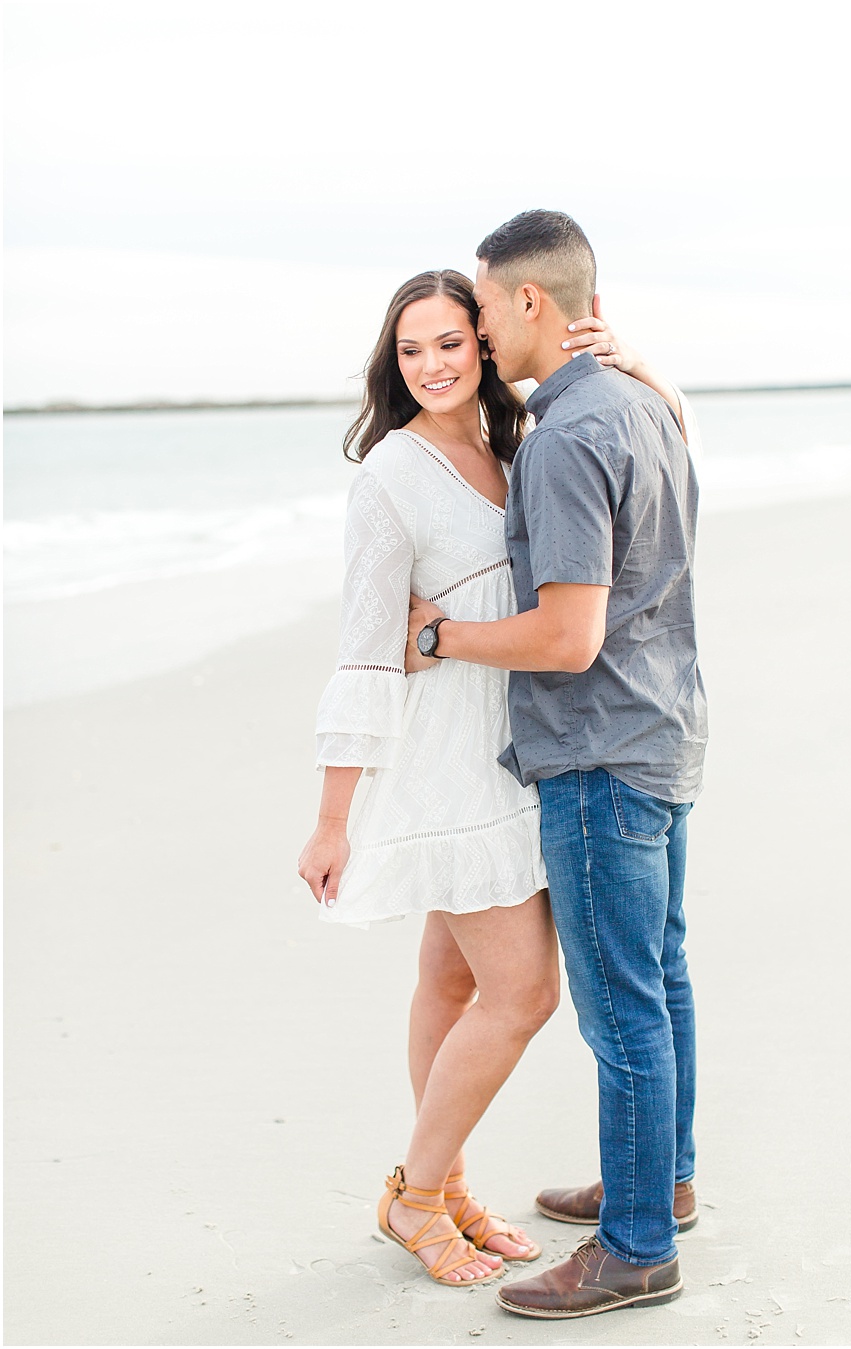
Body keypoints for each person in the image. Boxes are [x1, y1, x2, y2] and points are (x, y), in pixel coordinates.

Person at [296, 267, 689, 1288]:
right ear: (395, 361)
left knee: (451, 978)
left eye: (448, 343)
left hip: (520, 744)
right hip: (448, 761)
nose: (430, 364)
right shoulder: (391, 474)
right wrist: (333, 816)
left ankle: (453, 1184)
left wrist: (638, 366)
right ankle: (416, 1191)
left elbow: (642, 470)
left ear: (483, 347)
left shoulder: (518, 445)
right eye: (411, 348)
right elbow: (367, 648)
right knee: (523, 990)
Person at [400, 210, 706, 1319]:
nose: (473, 331)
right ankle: (657, 1185)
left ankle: (633, 1248)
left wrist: (441, 638)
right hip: (665, 731)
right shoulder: (642, 402)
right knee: (660, 982)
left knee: (622, 1007)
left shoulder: (571, 434)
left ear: (530, 303)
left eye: (478, 309)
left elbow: (568, 636)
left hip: (598, 750)